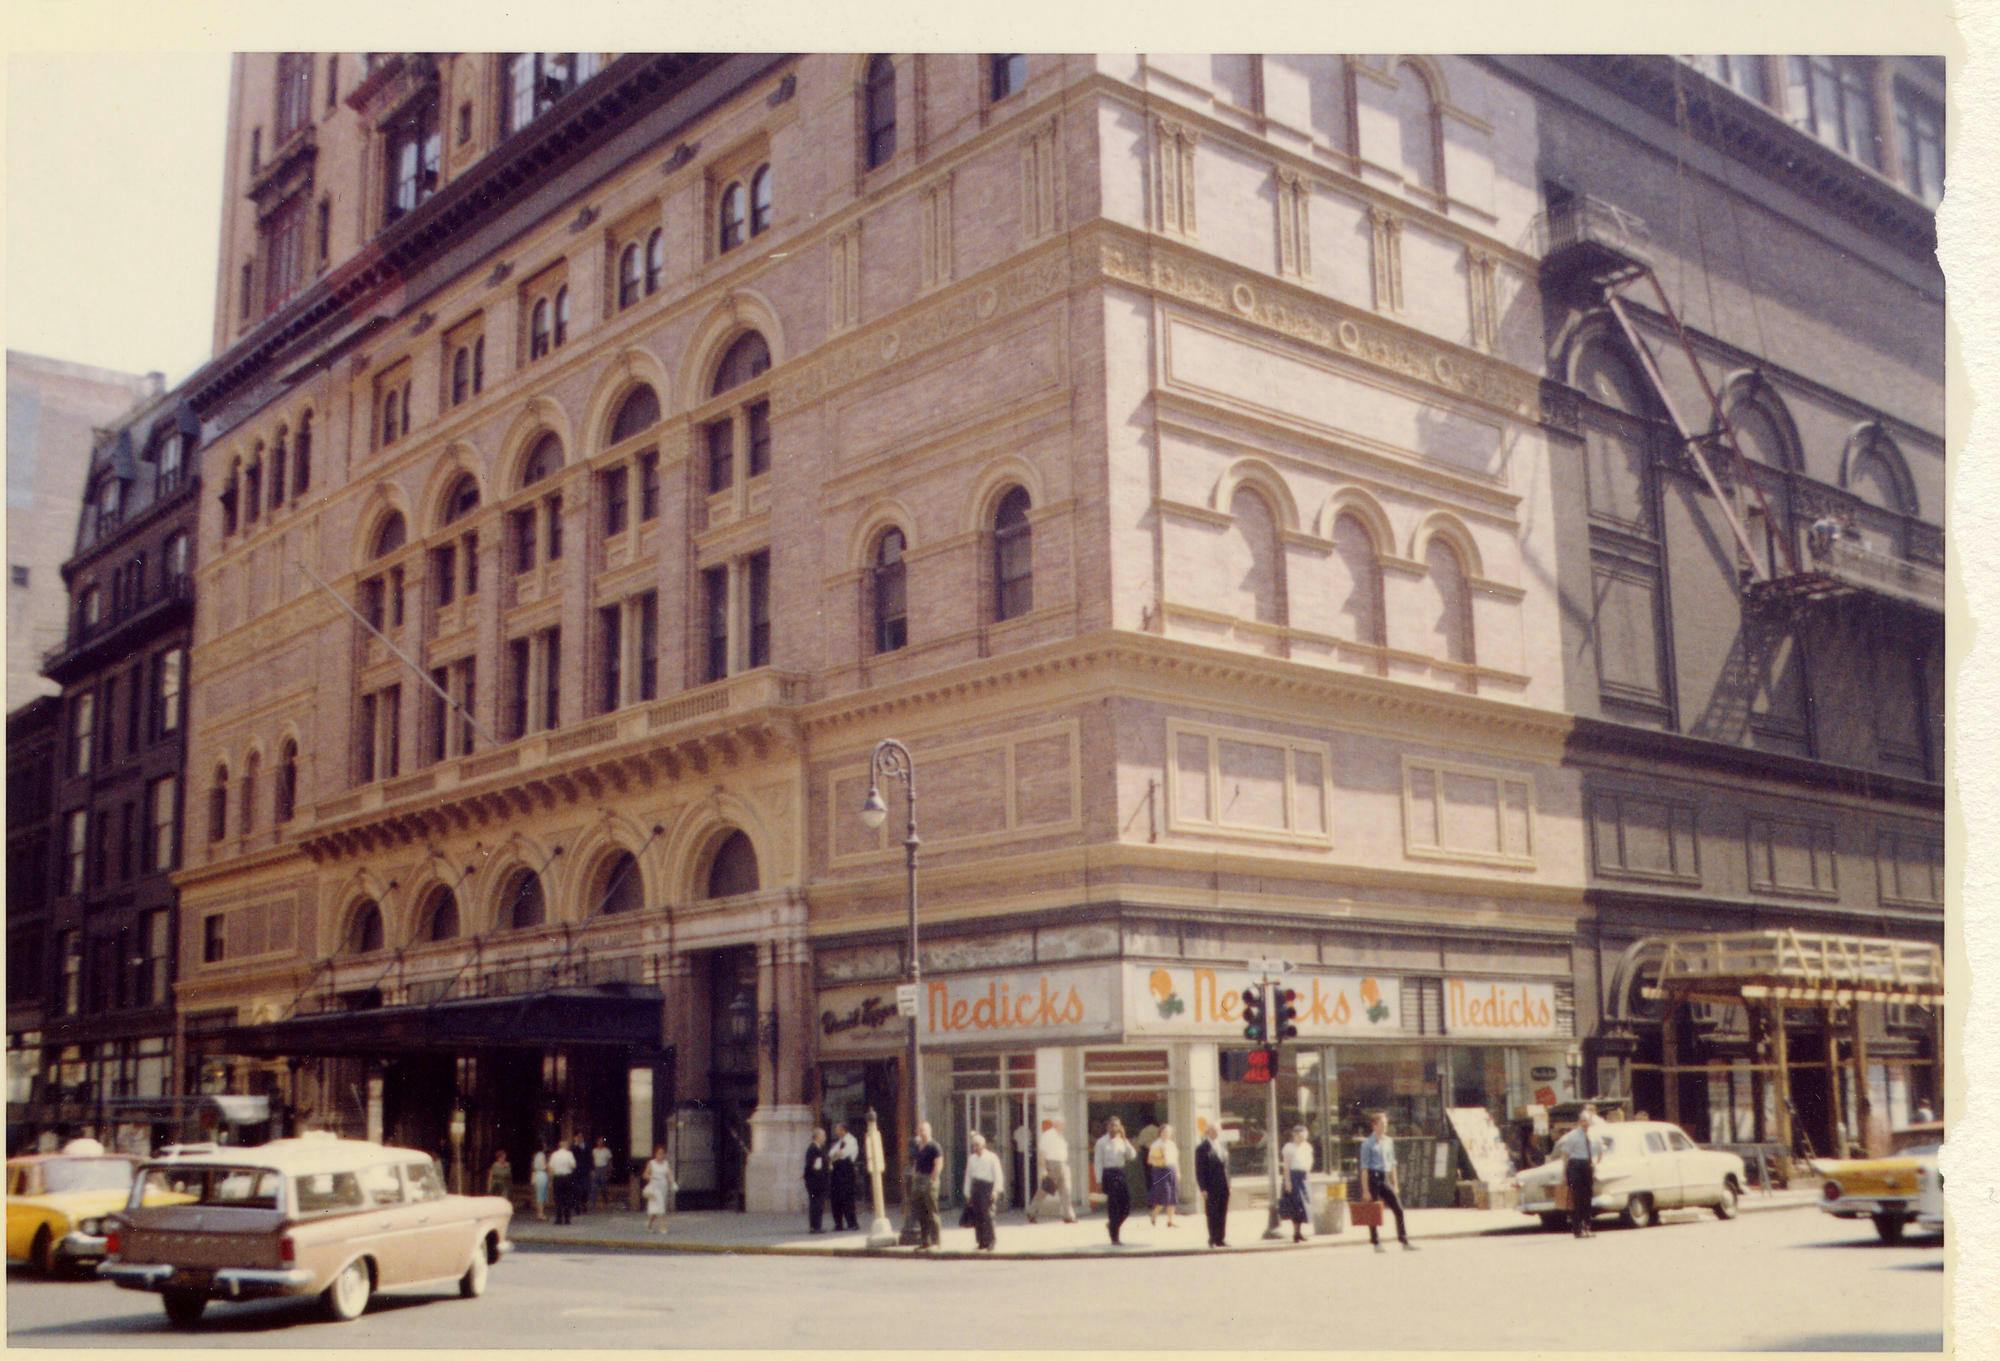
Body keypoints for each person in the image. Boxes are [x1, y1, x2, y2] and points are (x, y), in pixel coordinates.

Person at [1359, 1111, 1416, 1252]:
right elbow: (1364, 1168)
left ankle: (1404, 1240)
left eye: (1386, 1124)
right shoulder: (1367, 1144)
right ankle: (1376, 1242)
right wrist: (1365, 1190)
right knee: (1373, 1212)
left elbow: (1392, 1164)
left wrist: (1395, 1183)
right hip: (1372, 1177)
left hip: (1384, 1177)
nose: (1385, 1126)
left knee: (1398, 1209)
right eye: (1382, 1124)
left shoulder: (1388, 1141)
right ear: (1374, 1125)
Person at [1555, 1104, 1605, 1239]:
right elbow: (1565, 1155)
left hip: (1587, 1165)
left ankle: (1587, 1227)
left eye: (1587, 1121)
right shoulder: (1572, 1136)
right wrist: (1564, 1174)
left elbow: (1601, 1151)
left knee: (1587, 1198)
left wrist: (1596, 1164)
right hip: (1575, 1166)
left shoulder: (1594, 1136)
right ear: (1579, 1122)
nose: (1585, 1123)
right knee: (1577, 1198)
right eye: (1582, 1121)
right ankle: (1578, 1229)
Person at [1092, 1118, 1136, 1245]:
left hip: (1120, 1172)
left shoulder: (1122, 1141)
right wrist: (1098, 1180)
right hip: (1108, 1174)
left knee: (1126, 1207)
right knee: (1114, 1207)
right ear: (1107, 1127)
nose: (1113, 1128)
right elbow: (1098, 1162)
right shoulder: (1101, 1142)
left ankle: (1112, 1225)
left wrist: (1125, 1139)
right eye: (1111, 1126)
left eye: (1116, 1126)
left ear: (1120, 1127)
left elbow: (1132, 1156)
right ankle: (1114, 1237)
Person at [963, 1130, 1004, 1251]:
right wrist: (967, 1192)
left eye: (977, 1145)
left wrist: (995, 1190)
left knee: (988, 1215)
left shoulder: (992, 1157)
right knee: (978, 1215)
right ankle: (981, 1241)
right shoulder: (972, 1159)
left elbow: (998, 1175)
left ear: (983, 1145)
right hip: (976, 1187)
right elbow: (968, 1176)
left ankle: (991, 1240)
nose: (975, 1148)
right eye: (974, 1146)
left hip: (987, 1187)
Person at [1031, 1117, 1076, 1223]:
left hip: (1062, 1164)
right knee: (1046, 1189)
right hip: (1052, 1164)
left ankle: (1068, 1216)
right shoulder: (1048, 1135)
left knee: (1066, 1190)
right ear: (1056, 1124)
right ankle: (1031, 1211)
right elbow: (1042, 1153)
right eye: (1062, 1124)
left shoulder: (1060, 1136)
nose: (1064, 1126)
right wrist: (1043, 1169)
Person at [1194, 1120, 1230, 1248]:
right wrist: (1202, 1188)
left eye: (1218, 1130)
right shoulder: (1202, 1148)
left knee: (1222, 1212)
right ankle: (1212, 1238)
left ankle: (1221, 1239)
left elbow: (1226, 1167)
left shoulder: (1222, 1146)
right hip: (1210, 1186)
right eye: (1213, 1130)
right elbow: (1199, 1170)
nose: (1216, 1132)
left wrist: (1229, 1183)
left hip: (1223, 1185)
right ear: (1207, 1131)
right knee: (1212, 1213)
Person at [908, 1121, 943, 1250]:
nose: (922, 1133)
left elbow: (939, 1164)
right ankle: (925, 1241)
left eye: (924, 1130)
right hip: (919, 1179)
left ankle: (936, 1242)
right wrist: (914, 1175)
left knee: (932, 1211)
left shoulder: (935, 1146)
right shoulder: (918, 1146)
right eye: (920, 1130)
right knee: (921, 1212)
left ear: (929, 1131)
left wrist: (932, 1179)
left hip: (929, 1179)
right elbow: (916, 1163)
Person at [1280, 1125, 1314, 1243]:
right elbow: (1286, 1166)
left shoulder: (1307, 1147)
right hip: (1293, 1176)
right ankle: (1296, 1233)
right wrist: (1287, 1181)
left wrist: (1308, 1178)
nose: (1302, 1137)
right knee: (1295, 1205)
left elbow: (1308, 1163)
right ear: (1294, 1135)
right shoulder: (1289, 1147)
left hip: (1304, 1177)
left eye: (1304, 1135)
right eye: (1299, 1135)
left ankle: (1299, 1232)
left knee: (1303, 1206)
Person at [828, 1122, 861, 1230]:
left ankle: (852, 1223)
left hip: (846, 1171)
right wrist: (836, 1155)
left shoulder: (851, 1140)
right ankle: (838, 1224)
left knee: (847, 1198)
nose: (836, 1131)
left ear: (843, 1130)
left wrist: (836, 1155)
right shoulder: (839, 1142)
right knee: (836, 1198)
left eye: (837, 1129)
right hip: (837, 1172)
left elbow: (844, 1153)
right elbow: (831, 1154)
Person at [1147, 1123, 1181, 1228]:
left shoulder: (1172, 1144)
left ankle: (1170, 1220)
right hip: (1160, 1170)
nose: (1166, 1134)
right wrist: (1160, 1159)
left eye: (1169, 1132)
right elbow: (1150, 1160)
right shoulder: (1156, 1145)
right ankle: (1154, 1213)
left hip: (1171, 1169)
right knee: (1165, 1194)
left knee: (1173, 1195)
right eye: (1165, 1132)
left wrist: (1178, 1172)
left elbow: (1175, 1159)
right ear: (1160, 1133)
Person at [803, 1127, 830, 1233]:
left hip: (818, 1181)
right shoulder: (813, 1149)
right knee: (816, 1204)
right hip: (816, 1182)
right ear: (818, 1136)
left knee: (818, 1204)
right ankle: (815, 1227)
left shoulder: (819, 1148)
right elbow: (815, 1166)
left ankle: (816, 1226)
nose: (825, 1138)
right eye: (823, 1136)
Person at [643, 1146, 676, 1233]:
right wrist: (650, 1176)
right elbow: (645, 1174)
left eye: (662, 1153)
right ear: (655, 1154)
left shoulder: (666, 1163)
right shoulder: (651, 1163)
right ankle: (663, 1227)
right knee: (660, 1207)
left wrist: (673, 1183)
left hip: (663, 1187)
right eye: (659, 1153)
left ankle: (649, 1224)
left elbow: (669, 1174)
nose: (661, 1155)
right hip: (654, 1187)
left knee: (656, 1208)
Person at [548, 1138, 579, 1226]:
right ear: (565, 1145)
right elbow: (573, 1165)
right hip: (567, 1177)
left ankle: (558, 1218)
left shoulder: (554, 1155)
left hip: (558, 1178)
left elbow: (551, 1167)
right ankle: (567, 1218)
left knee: (558, 1198)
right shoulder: (569, 1154)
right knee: (567, 1197)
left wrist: (551, 1179)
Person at [590, 1136, 613, 1211]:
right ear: (597, 1142)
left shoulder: (607, 1151)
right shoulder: (594, 1151)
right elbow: (592, 1160)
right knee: (594, 1186)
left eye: (602, 1141)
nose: (600, 1142)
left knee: (604, 1186)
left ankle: (606, 1201)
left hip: (604, 1168)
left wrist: (609, 1171)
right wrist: (592, 1170)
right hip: (596, 1168)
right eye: (599, 1141)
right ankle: (593, 1203)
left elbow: (610, 1161)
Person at [531, 1146, 551, 1221]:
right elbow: (544, 1166)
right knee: (541, 1195)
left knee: (539, 1195)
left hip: (537, 1174)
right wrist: (548, 1165)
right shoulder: (541, 1155)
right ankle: (540, 1213)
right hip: (541, 1174)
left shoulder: (536, 1155)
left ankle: (539, 1213)